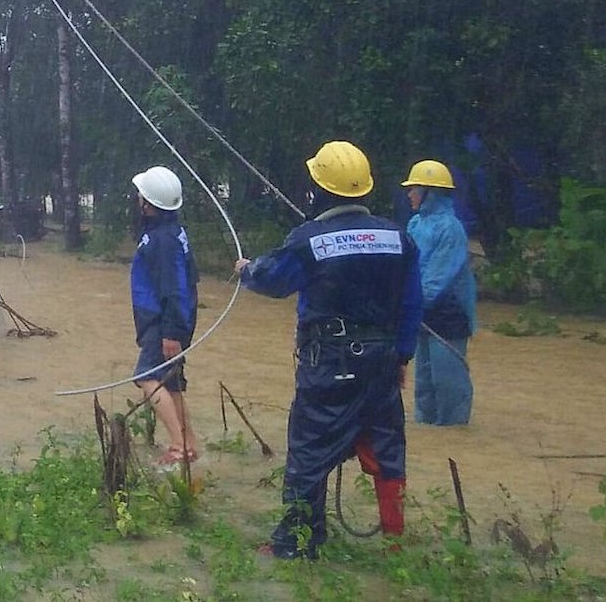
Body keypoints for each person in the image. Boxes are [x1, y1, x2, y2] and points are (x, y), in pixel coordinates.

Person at [235, 140, 421, 560]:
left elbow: (274, 280)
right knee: (387, 447)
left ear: (319, 188)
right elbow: (412, 304)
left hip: (331, 364)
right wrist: (402, 358)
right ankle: (395, 543)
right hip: (383, 363)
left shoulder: (309, 240)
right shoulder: (399, 238)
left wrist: (248, 270)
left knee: (309, 450)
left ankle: (297, 544)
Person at [129, 166, 201, 467]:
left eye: (141, 196)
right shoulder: (170, 233)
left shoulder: (162, 241)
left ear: (149, 204)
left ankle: (177, 446)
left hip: (163, 324)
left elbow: (173, 288)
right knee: (171, 383)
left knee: (147, 377)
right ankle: (189, 444)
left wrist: (171, 333)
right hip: (170, 321)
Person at [402, 159, 476, 425]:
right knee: (424, 381)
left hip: (449, 313)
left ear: (429, 192)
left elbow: (439, 277)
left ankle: (454, 434)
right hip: (421, 311)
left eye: (414, 189)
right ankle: (428, 434)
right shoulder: (413, 224)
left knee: (448, 381)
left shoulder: (451, 228)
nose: (409, 194)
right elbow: (407, 266)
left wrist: (411, 303)